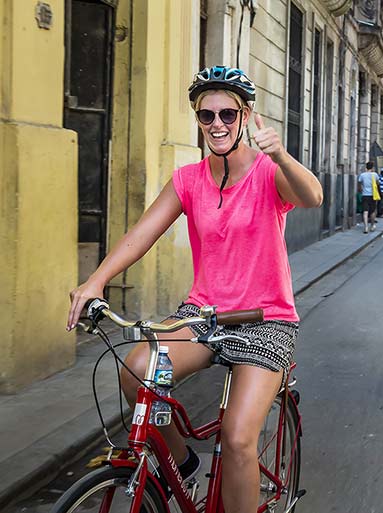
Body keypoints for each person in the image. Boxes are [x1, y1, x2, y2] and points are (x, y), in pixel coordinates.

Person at [66, 66, 323, 510]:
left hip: (265, 321)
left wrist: (281, 155)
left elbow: (312, 196)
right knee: (136, 371)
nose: (217, 125)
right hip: (202, 315)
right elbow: (140, 235)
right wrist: (96, 280)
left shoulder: (267, 172)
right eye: (207, 116)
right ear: (198, 119)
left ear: (245, 116)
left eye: (227, 114)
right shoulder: (188, 179)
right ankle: (181, 463)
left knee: (239, 439)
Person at [358, 161, 380, 233]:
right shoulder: (375, 175)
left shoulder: (362, 175)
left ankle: (366, 227)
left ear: (366, 167)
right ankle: (372, 225)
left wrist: (361, 190)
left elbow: (359, 184)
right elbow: (377, 183)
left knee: (365, 211)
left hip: (365, 195)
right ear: (373, 167)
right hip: (373, 195)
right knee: (372, 211)